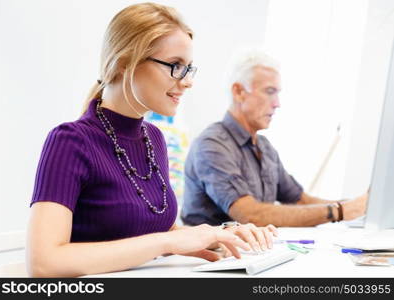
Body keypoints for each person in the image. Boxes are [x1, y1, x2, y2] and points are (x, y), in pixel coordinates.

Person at [27, 3, 277, 278]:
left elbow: (145, 228)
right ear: (124, 63)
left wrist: (219, 235)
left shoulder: (154, 138)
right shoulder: (70, 141)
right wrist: (169, 242)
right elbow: (45, 263)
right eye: (175, 66)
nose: (187, 81)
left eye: (188, 68)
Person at [181, 49, 368, 227]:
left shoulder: (265, 147)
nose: (277, 104)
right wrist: (340, 211)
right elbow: (249, 215)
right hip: (210, 258)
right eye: (270, 92)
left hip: (249, 255)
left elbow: (301, 200)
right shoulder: (212, 145)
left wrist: (354, 206)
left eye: (278, 93)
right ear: (238, 91)